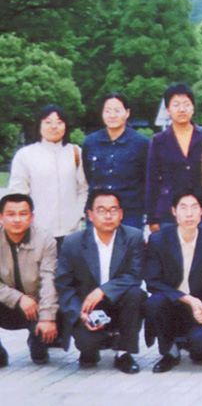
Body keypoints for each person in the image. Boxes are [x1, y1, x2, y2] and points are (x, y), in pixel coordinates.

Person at [55, 190, 146, 373]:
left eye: (113, 210)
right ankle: (97, 344)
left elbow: (135, 275)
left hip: (119, 302)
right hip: (87, 307)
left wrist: (103, 290)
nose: (108, 216)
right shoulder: (72, 242)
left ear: (121, 214)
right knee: (88, 346)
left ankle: (123, 353)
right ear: (90, 215)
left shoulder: (133, 237)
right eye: (101, 210)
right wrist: (79, 314)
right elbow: (64, 284)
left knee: (136, 294)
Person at [143, 190, 202, 372]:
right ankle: (170, 352)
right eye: (183, 208)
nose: (189, 214)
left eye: (194, 208)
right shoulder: (159, 240)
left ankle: (195, 344)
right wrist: (187, 299)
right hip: (171, 305)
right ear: (174, 211)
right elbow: (152, 281)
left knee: (200, 349)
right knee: (154, 302)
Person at [8, 105, 88, 240]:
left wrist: (79, 214)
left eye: (59, 122)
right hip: (38, 233)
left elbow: (83, 188)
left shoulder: (75, 153)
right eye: (48, 122)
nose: (54, 127)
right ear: (39, 125)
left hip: (72, 232)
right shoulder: (25, 155)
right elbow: (18, 194)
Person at [145, 83, 202, 232]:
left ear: (193, 108)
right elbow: (152, 180)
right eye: (176, 105)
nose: (182, 109)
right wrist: (152, 217)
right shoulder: (159, 141)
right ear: (168, 110)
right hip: (169, 211)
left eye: (186, 104)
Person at [0, 194, 59, 366]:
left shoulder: (45, 240)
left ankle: (36, 339)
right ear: (1, 217)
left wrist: (47, 317)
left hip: (36, 306)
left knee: (40, 356)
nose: (17, 219)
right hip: (5, 303)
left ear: (32, 217)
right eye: (11, 214)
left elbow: (49, 279)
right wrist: (18, 298)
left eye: (23, 214)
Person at [82, 93, 150, 229]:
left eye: (117, 111)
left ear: (127, 113)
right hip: (98, 212)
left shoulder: (141, 143)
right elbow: (88, 175)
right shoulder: (90, 142)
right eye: (108, 111)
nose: (112, 115)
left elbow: (147, 179)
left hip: (130, 213)